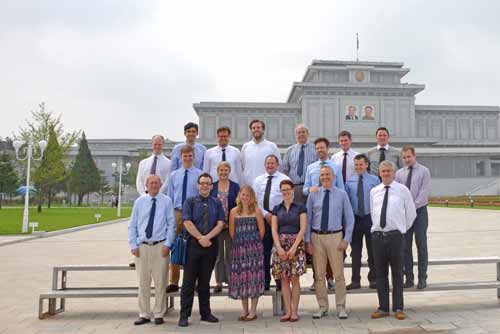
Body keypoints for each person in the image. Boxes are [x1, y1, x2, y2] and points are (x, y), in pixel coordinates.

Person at [305, 165, 354, 320]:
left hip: (335, 237)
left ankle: (340, 307)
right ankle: (323, 307)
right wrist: (307, 241)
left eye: (328, 174)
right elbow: (308, 219)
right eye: (322, 175)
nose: (325, 177)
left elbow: (350, 218)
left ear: (333, 176)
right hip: (317, 237)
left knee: (338, 275)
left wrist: (346, 239)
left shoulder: (342, 194)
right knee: (319, 275)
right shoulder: (313, 195)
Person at [370, 161, 416, 321]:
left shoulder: (403, 191)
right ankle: (383, 308)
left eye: (388, 171)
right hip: (377, 237)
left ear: (394, 172)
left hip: (396, 237)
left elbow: (411, 214)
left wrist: (400, 228)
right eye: (383, 171)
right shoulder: (374, 191)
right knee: (381, 275)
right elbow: (373, 213)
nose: (385, 173)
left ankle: (398, 307)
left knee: (397, 273)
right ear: (379, 173)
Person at [128, 175, 176, 326]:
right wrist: (133, 245)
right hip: (142, 247)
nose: (154, 185)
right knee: (143, 283)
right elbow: (133, 224)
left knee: (161, 282)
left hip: (160, 246)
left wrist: (168, 244)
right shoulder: (140, 202)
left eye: (157, 182)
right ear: (146, 185)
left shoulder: (166, 201)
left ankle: (159, 313)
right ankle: (144, 314)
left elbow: (171, 225)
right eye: (151, 183)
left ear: (161, 184)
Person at [178, 173, 225, 327]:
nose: (205, 186)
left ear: (212, 186)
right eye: (202, 183)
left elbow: (220, 223)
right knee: (188, 282)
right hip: (193, 245)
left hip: (211, 246)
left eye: (208, 183)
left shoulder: (216, 203)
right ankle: (184, 315)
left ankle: (205, 313)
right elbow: (187, 221)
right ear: (198, 185)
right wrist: (200, 238)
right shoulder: (190, 202)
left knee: (205, 281)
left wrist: (207, 238)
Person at [166, 145, 202, 293]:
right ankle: (174, 281)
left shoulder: (199, 174)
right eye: (185, 156)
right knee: (175, 246)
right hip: (177, 212)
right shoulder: (174, 175)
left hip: (193, 212)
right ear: (181, 158)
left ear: (194, 157)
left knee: (193, 247)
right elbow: (170, 196)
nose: (187, 158)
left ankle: (193, 281)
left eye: (190, 156)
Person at [252, 154, 290, 291]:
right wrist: (265, 214)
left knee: (280, 252)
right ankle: (265, 282)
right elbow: (254, 201)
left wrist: (274, 215)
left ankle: (281, 282)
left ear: (277, 165)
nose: (270, 165)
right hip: (262, 220)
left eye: (272, 163)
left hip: (279, 220)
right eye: (268, 163)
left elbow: (287, 199)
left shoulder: (285, 179)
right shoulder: (257, 180)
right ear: (265, 165)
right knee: (264, 252)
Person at [395, 146, 431, 290]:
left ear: (414, 156)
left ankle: (422, 277)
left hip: (420, 212)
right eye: (404, 157)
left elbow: (424, 193)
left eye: (409, 157)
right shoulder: (399, 174)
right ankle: (408, 277)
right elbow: (398, 193)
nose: (406, 160)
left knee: (421, 245)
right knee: (405, 247)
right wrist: (405, 210)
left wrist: (412, 208)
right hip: (405, 214)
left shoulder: (424, 171)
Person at [271, 180, 307, 322]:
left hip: (296, 245)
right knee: (284, 279)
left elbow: (303, 228)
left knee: (295, 279)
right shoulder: (276, 208)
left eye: (288, 189)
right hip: (280, 246)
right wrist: (278, 247)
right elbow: (274, 229)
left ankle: (295, 311)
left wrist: (293, 248)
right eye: (283, 190)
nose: (285, 192)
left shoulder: (300, 207)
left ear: (292, 190)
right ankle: (288, 311)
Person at [228, 185, 266, 322]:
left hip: (254, 249)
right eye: (243, 195)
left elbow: (262, 230)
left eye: (247, 195)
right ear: (239, 196)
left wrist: (253, 243)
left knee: (253, 278)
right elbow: (232, 232)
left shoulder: (256, 211)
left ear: (251, 198)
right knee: (242, 279)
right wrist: (240, 243)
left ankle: (253, 311)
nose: (245, 197)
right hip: (239, 249)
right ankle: (244, 311)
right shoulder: (233, 212)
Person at [344, 154, 380, 290]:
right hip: (355, 219)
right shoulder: (349, 182)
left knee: (372, 250)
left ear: (366, 165)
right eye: (356, 165)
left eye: (361, 164)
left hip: (370, 217)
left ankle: (373, 279)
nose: (359, 167)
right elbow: (347, 202)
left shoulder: (375, 180)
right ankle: (355, 280)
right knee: (356, 251)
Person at [210, 162, 240, 293]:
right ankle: (218, 282)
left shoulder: (235, 186)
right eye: (221, 170)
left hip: (231, 225)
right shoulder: (213, 186)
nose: (223, 172)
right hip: (216, 226)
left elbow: (239, 204)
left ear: (229, 171)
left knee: (230, 254)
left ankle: (231, 281)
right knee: (218, 255)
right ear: (217, 171)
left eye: (226, 170)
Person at [280, 124, 317, 204]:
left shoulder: (315, 149)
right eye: (298, 133)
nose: (301, 134)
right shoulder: (289, 150)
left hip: (310, 188)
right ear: (295, 135)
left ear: (308, 134)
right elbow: (284, 170)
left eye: (303, 132)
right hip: (294, 188)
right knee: (295, 213)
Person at [241, 119, 281, 186]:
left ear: (263, 130)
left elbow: (279, 166)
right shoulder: (246, 146)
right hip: (248, 185)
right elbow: (242, 166)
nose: (256, 129)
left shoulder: (271, 146)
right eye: (253, 128)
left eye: (258, 127)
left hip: (265, 185)